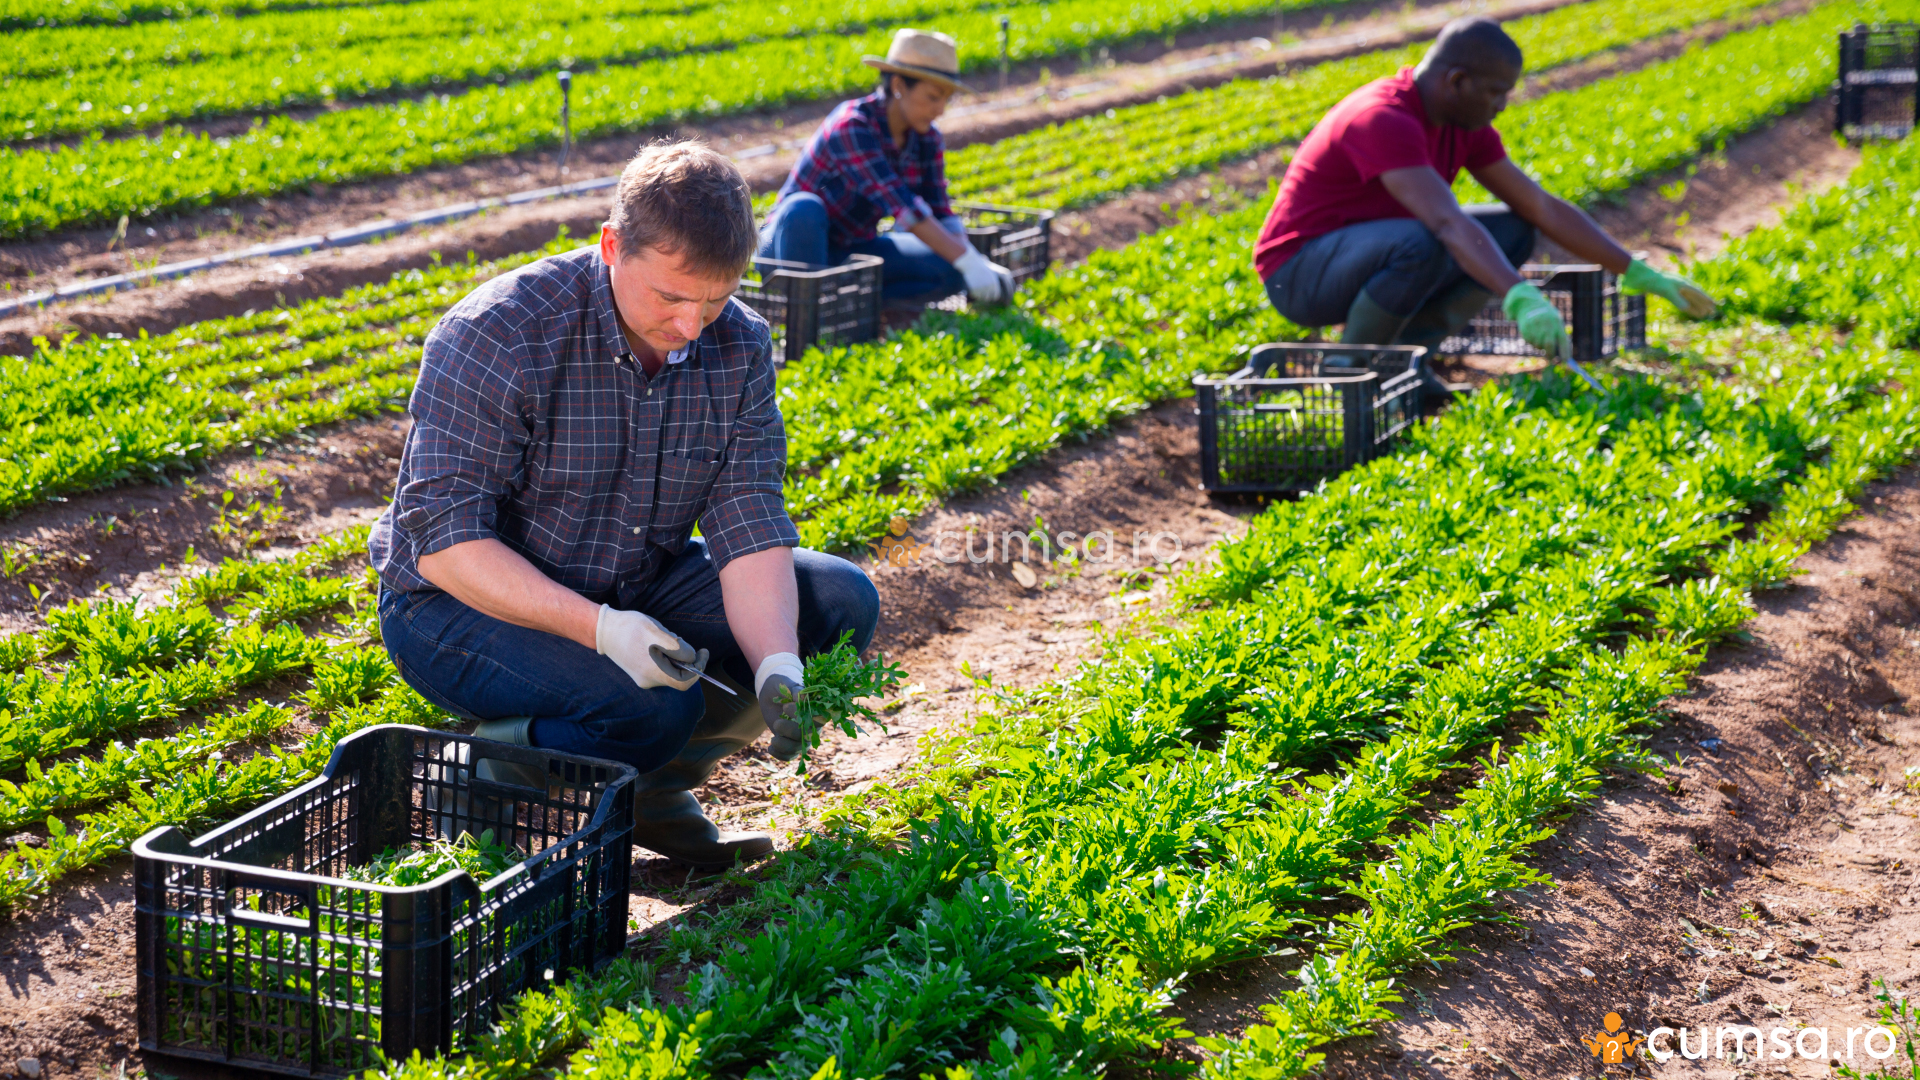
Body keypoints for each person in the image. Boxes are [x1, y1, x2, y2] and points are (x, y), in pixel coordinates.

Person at [368, 140, 880, 871]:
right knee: (648, 707)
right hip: (455, 606)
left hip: (632, 577)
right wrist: (601, 630)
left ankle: (654, 789)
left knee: (834, 603)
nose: (691, 326)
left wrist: (777, 663)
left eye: (715, 298)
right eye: (671, 297)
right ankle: (480, 771)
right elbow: (445, 541)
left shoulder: (737, 347)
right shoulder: (502, 332)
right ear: (612, 246)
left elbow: (747, 517)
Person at [1254, 16, 1717, 373]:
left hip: (1362, 254)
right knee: (1428, 240)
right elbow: (1446, 224)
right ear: (1457, 81)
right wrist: (1518, 295)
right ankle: (1349, 369)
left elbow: (1538, 205)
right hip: (1299, 273)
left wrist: (1634, 270)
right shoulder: (1383, 118)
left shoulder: (1462, 124)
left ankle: (1408, 363)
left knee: (1513, 228)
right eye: (1496, 92)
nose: (1502, 105)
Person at [758, 28, 1015, 307]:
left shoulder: (927, 138)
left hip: (851, 248)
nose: (940, 109)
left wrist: (972, 260)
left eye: (946, 99)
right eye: (933, 97)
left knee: (948, 268)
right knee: (803, 207)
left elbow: (940, 210)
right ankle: (810, 310)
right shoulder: (852, 126)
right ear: (898, 86)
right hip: (791, 249)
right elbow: (902, 206)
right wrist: (967, 259)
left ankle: (843, 305)